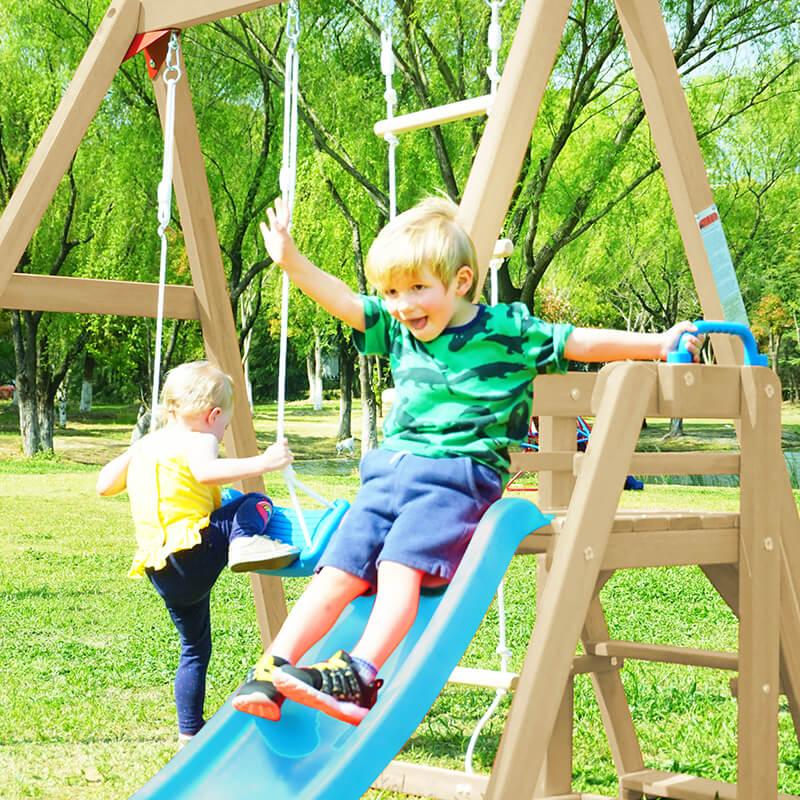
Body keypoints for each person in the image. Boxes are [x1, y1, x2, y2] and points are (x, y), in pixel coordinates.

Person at [232, 196, 703, 726]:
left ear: (458, 282)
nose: (402, 305)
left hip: (456, 476)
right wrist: (291, 260)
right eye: (390, 292)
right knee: (335, 573)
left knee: (395, 571)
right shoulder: (396, 330)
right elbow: (341, 299)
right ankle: (273, 671)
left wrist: (658, 344)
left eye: (416, 289)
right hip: (386, 472)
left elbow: (581, 342)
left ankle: (360, 675)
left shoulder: (507, 330)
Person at [96, 360, 297, 744]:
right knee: (253, 500)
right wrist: (264, 462)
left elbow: (104, 485)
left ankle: (189, 732)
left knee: (194, 648)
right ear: (214, 415)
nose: (221, 434)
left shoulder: (149, 443)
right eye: (224, 426)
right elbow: (205, 472)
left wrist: (137, 449)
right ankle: (244, 542)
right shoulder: (200, 437)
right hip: (195, 550)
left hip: (162, 569)